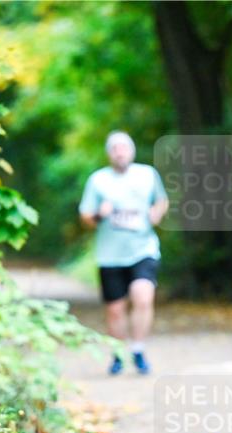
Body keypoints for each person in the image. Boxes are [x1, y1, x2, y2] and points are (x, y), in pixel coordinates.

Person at [79, 131, 170, 375]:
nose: (120, 152)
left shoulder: (147, 174)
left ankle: (138, 349)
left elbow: (162, 200)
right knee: (115, 310)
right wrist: (99, 214)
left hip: (143, 249)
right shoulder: (98, 180)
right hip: (110, 255)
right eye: (115, 149)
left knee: (143, 297)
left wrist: (156, 213)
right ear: (109, 154)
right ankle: (118, 353)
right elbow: (85, 217)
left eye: (124, 148)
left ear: (132, 151)